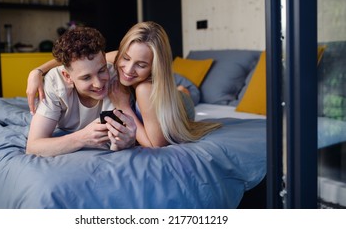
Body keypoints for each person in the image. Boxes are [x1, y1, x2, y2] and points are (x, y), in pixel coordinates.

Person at [27, 21, 221, 147]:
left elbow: (155, 144)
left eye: (141, 65)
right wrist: (37, 71)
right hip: (146, 104)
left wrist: (123, 105)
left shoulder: (146, 89)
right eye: (126, 58)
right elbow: (73, 59)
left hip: (176, 104)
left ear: (154, 67)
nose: (128, 70)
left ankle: (183, 91)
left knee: (187, 94)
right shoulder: (110, 60)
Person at [26, 26, 136, 157]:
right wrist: (82, 138)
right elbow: (33, 147)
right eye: (86, 77)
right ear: (67, 77)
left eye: (102, 70)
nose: (99, 84)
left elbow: (117, 142)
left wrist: (126, 142)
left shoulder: (117, 77)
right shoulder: (55, 82)